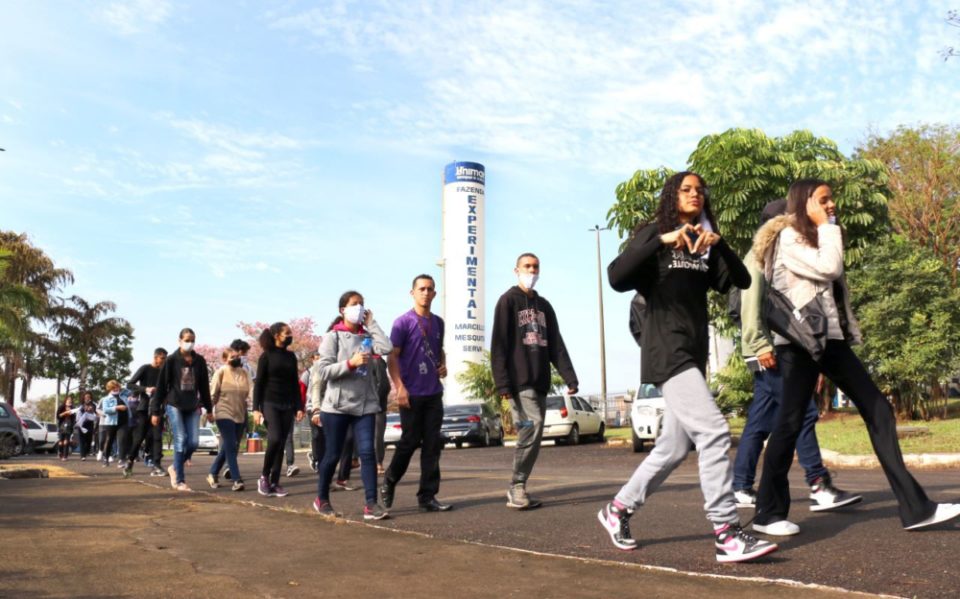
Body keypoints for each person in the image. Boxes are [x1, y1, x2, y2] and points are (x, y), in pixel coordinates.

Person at [752, 179, 960, 534]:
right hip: (802, 343)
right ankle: (767, 514)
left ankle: (916, 508)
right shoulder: (790, 237)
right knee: (788, 424)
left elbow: (833, 294)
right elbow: (829, 268)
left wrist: (849, 331)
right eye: (824, 199)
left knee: (877, 408)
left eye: (831, 199)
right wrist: (826, 227)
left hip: (829, 341)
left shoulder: (816, 235)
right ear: (805, 203)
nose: (832, 205)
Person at [599, 171, 776, 563]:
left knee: (674, 447)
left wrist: (721, 244)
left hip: (694, 351)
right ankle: (726, 532)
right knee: (714, 431)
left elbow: (742, 281)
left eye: (699, 190)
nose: (695, 194)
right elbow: (616, 276)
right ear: (672, 196)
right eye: (686, 189)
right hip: (666, 349)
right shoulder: (654, 234)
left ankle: (618, 510)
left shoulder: (703, 241)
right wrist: (661, 240)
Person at [732, 199, 861, 512]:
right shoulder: (760, 252)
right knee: (801, 412)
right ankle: (818, 484)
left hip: (774, 349)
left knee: (760, 423)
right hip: (767, 349)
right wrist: (760, 344)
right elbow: (751, 301)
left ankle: (740, 485)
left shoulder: (782, 249)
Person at [491, 253, 579, 510]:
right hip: (519, 384)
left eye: (535, 266)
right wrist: (503, 385)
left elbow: (556, 345)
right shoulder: (508, 301)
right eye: (527, 266)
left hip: (540, 381)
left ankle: (518, 485)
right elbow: (499, 345)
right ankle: (517, 486)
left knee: (532, 433)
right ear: (516, 270)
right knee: (532, 426)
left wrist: (569, 377)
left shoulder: (545, 306)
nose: (531, 270)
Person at [310, 291, 392, 520]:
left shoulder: (367, 336)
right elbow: (323, 371)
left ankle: (371, 505)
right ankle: (322, 498)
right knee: (333, 455)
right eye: (354, 304)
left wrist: (372, 323)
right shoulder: (332, 337)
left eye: (362, 304)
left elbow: (386, 347)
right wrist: (350, 363)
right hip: (336, 407)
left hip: (365, 405)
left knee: (367, 453)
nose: (359, 308)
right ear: (342, 310)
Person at [380, 274, 451, 513]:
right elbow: (392, 356)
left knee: (432, 445)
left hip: (433, 393)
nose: (426, 292)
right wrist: (399, 387)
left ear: (434, 293)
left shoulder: (439, 322)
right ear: (412, 293)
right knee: (409, 442)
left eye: (430, 289)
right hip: (410, 394)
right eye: (421, 289)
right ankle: (390, 479)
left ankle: (427, 496)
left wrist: (443, 365)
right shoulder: (402, 322)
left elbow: (439, 350)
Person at [150, 327, 213, 492]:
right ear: (179, 341)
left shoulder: (199, 360)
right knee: (181, 439)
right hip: (174, 404)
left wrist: (209, 408)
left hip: (192, 405)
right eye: (186, 340)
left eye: (192, 340)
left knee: (193, 442)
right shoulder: (171, 360)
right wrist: (155, 411)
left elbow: (204, 387)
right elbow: (162, 386)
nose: (189, 343)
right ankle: (179, 480)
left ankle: (174, 466)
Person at [252, 322, 304, 498]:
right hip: (269, 403)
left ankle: (275, 482)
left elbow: (295, 384)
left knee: (281, 442)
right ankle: (264, 477)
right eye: (287, 333)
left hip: (287, 404)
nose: (290, 335)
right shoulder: (266, 356)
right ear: (276, 335)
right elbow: (258, 383)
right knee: (274, 439)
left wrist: (299, 406)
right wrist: (255, 409)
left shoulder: (291, 357)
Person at [207, 347, 252, 491]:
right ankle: (237, 479)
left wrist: (257, 408)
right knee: (231, 446)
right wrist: (209, 411)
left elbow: (251, 390)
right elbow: (213, 394)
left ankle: (213, 473)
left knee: (229, 446)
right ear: (225, 359)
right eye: (232, 357)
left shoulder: (244, 373)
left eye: (237, 356)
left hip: (240, 413)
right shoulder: (221, 372)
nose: (236, 358)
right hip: (224, 412)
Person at [124, 348, 168, 478]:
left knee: (157, 437)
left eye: (165, 359)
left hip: (158, 409)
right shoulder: (145, 368)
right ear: (156, 357)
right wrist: (145, 388)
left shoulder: (165, 372)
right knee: (139, 437)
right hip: (144, 408)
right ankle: (130, 460)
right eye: (162, 358)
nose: (164, 361)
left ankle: (156, 465)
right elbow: (129, 385)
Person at [97, 381, 128, 467]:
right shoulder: (106, 399)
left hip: (123, 422)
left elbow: (130, 391)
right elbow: (106, 410)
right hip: (111, 422)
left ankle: (121, 460)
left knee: (122, 440)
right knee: (109, 440)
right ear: (110, 389)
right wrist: (117, 407)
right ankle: (105, 458)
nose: (116, 388)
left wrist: (123, 388)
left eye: (117, 386)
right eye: (113, 387)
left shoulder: (124, 396)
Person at [76, 393, 98, 460]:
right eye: (86, 397)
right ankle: (83, 455)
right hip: (81, 424)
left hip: (90, 424)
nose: (87, 398)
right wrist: (84, 408)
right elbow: (78, 413)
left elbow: (96, 412)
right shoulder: (81, 405)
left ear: (90, 398)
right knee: (82, 440)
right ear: (83, 398)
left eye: (88, 397)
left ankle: (86, 452)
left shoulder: (94, 405)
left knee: (89, 440)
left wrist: (91, 409)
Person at [56, 396, 77, 461]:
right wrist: (65, 413)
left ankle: (65, 456)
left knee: (66, 441)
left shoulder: (73, 408)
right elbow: (58, 416)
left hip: (69, 426)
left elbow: (74, 418)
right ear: (65, 400)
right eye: (68, 399)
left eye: (70, 400)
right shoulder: (61, 407)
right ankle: (60, 452)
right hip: (62, 426)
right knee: (61, 442)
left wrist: (71, 413)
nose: (69, 401)